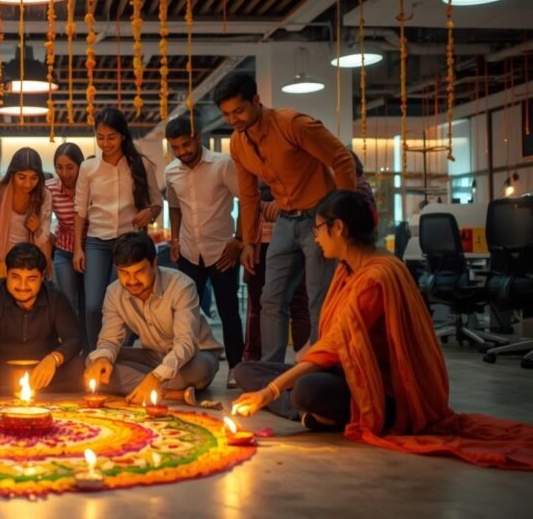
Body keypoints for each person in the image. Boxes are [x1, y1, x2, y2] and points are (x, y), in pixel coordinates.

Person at [232, 190, 533, 469]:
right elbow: (333, 344)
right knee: (246, 371)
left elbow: (334, 344)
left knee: (305, 389)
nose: (316, 238)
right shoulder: (347, 267)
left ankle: (309, 410)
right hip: (345, 369)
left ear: (339, 229)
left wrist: (272, 391)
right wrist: (282, 378)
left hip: (383, 391)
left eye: (318, 229)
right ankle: (312, 414)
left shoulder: (377, 276)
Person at [214, 72, 356, 363]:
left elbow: (341, 159)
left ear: (256, 101)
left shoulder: (292, 124)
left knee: (319, 300)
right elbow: (249, 195)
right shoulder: (238, 144)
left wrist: (342, 219)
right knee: (270, 298)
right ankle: (270, 372)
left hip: (321, 220)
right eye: (227, 115)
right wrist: (249, 242)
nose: (233, 120)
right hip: (284, 223)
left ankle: (319, 368)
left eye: (239, 111)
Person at [85, 232, 221, 405]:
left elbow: (186, 343)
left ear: (154, 264)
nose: (132, 281)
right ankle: (170, 393)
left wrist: (157, 376)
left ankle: (151, 384)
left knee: (197, 371)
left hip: (195, 356)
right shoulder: (114, 293)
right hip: (153, 356)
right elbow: (109, 340)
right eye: (124, 273)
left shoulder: (182, 286)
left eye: (139, 272)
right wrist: (104, 359)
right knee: (94, 361)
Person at [164, 115, 244, 388]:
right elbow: (174, 207)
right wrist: (175, 239)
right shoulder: (171, 171)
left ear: (197, 137)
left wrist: (239, 241)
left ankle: (236, 366)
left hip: (222, 250)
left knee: (228, 310)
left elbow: (246, 199)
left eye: (186, 144)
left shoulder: (223, 165)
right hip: (188, 250)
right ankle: (191, 361)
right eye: (175, 147)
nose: (182, 152)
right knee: (186, 312)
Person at [73, 107, 163, 350]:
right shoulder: (88, 168)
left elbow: (157, 202)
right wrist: (77, 250)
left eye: (111, 137)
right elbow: (80, 210)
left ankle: (120, 353)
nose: (105, 143)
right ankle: (96, 354)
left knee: (125, 302)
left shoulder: (141, 165)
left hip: (129, 243)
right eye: (100, 138)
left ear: (123, 135)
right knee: (93, 304)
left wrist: (150, 213)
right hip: (96, 241)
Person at [0, 243, 84, 394]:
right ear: (6, 273)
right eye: (16, 277)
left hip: (43, 371)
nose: (22, 286)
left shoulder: (55, 297)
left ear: (42, 276)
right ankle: (31, 391)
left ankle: (4, 392)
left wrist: (53, 359)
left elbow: (74, 339)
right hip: (2, 370)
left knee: (78, 366)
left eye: (31, 278)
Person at [0, 147, 53, 318]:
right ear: (12, 174)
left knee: (22, 310)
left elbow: (44, 236)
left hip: (26, 260)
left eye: (34, 178)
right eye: (22, 177)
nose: (27, 183)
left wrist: (36, 228)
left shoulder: (44, 195)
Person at [242, 182, 311, 362]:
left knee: (305, 302)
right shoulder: (252, 167)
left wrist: (280, 204)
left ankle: (311, 364)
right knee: (267, 301)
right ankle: (268, 368)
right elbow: (247, 199)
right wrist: (246, 242)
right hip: (262, 247)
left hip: (306, 227)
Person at [46, 142, 87, 348]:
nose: (64, 173)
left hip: (92, 250)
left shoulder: (90, 184)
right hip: (63, 250)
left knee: (90, 303)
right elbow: (45, 217)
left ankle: (91, 347)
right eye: (59, 167)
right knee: (69, 302)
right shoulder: (51, 188)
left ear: (80, 166)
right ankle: (73, 348)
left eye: (70, 167)